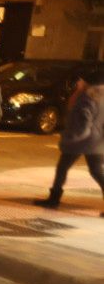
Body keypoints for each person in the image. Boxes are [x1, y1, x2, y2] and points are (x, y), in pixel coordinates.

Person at [34, 65, 104, 215]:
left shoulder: (86, 97)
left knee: (62, 168)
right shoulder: (101, 97)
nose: (78, 82)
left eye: (80, 80)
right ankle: (53, 199)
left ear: (86, 82)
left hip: (80, 141)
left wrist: (70, 139)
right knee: (97, 172)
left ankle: (53, 199)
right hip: (96, 142)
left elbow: (84, 122)